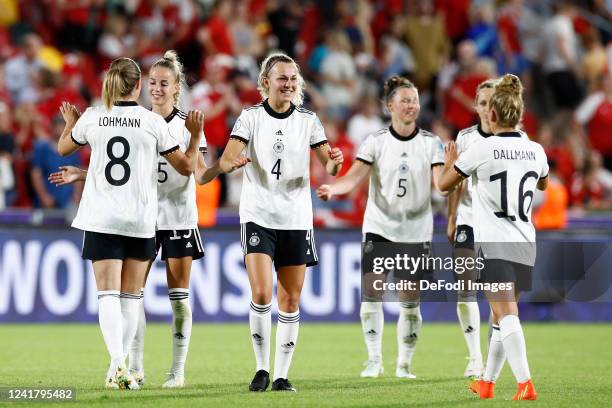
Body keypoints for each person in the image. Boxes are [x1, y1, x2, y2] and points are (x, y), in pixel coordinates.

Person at [55, 57, 203, 389]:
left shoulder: (94, 116)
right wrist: (194, 138)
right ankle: (122, 368)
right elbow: (185, 167)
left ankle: (119, 365)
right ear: (138, 86)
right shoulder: (152, 122)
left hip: (102, 217)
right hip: (140, 220)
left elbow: (64, 147)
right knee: (131, 297)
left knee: (107, 295)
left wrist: (70, 122)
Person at [202, 52, 344, 392]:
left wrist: (336, 164)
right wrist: (233, 161)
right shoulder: (250, 118)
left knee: (290, 300)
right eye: (282, 78)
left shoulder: (308, 121)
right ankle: (261, 369)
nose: (289, 84)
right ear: (266, 82)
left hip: (296, 217)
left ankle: (281, 375)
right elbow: (228, 156)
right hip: (259, 215)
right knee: (263, 292)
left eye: (293, 79)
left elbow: (330, 163)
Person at [317, 75, 445, 379]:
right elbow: (354, 175)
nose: (411, 105)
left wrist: (453, 179)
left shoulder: (431, 143)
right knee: (371, 292)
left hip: (415, 231)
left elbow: (441, 183)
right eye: (405, 100)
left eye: (414, 100)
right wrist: (335, 189)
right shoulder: (375, 141)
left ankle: (404, 363)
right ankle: (374, 359)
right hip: (380, 226)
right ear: (390, 106)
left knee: (409, 302)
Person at [439, 74, 548, 400]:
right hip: (526, 242)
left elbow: (444, 184)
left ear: (495, 115)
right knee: (501, 315)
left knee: (507, 314)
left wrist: (450, 162)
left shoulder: (482, 148)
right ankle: (487, 381)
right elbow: (543, 184)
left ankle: (525, 383)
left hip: (494, 243)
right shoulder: (536, 149)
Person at [446, 78, 497, 379]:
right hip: (468, 219)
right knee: (465, 287)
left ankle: (493, 355)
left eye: (492, 102)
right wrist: (452, 217)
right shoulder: (465, 138)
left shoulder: (514, 136)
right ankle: (475, 357)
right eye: (482, 102)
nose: (487, 108)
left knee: (497, 294)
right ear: (475, 106)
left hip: (500, 225)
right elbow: (455, 181)